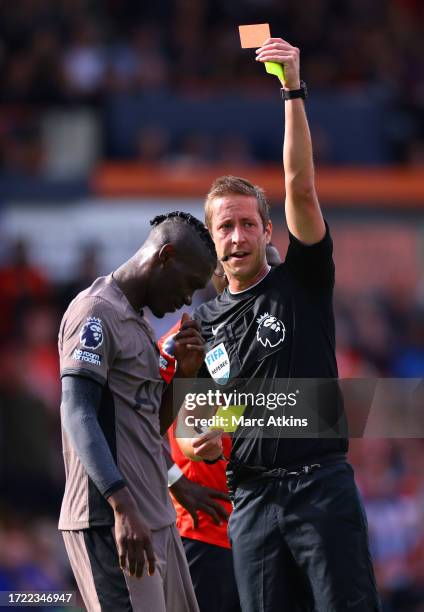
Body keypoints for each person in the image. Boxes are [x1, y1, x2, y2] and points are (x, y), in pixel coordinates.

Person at [178, 38, 381, 611]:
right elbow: (196, 430)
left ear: (269, 232)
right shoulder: (203, 323)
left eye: (248, 224)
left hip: (320, 488)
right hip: (252, 504)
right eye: (225, 228)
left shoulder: (304, 281)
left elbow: (301, 187)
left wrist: (292, 88)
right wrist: (208, 440)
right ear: (213, 240)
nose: (237, 236)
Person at [58, 211, 216, 612]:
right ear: (166, 256)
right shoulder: (94, 312)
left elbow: (146, 426)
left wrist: (186, 375)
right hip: (113, 520)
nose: (187, 299)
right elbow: (77, 411)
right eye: (188, 285)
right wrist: (122, 506)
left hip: (154, 517)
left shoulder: (140, 324)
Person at [159, 246, 281, 612]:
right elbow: (193, 436)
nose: (275, 288)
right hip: (206, 532)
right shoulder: (189, 339)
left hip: (268, 532)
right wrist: (170, 477)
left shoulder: (277, 344)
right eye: (264, 273)